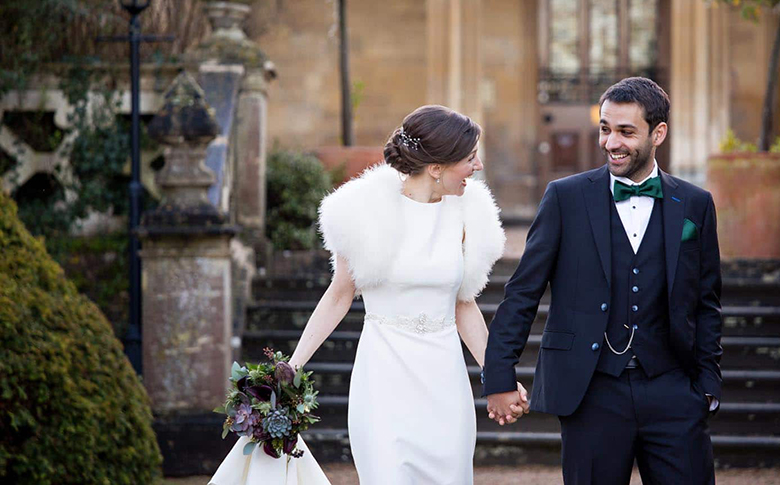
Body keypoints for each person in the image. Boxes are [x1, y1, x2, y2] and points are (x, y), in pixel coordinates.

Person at [211, 105, 528, 485]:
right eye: (470, 158)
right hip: (383, 379)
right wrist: (290, 369)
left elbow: (465, 305)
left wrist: (499, 377)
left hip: (446, 382)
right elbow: (339, 293)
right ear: (437, 167)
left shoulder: (468, 214)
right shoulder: (363, 211)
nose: (477, 167)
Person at [482, 77, 722, 484]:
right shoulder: (565, 197)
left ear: (658, 133)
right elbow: (523, 292)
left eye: (627, 132)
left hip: (673, 390)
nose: (612, 143)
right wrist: (499, 376)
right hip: (591, 390)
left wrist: (706, 386)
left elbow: (706, 301)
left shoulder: (695, 204)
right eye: (606, 129)